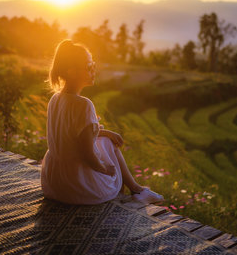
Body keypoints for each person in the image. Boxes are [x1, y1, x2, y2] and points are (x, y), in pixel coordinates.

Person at [40, 39, 164, 205]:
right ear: (71, 72)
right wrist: (104, 169)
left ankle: (137, 190)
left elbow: (71, 136)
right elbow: (87, 154)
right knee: (108, 145)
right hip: (77, 188)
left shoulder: (55, 99)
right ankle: (137, 190)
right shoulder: (83, 104)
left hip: (53, 183)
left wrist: (106, 132)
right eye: (89, 66)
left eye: (93, 65)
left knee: (105, 139)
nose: (93, 70)